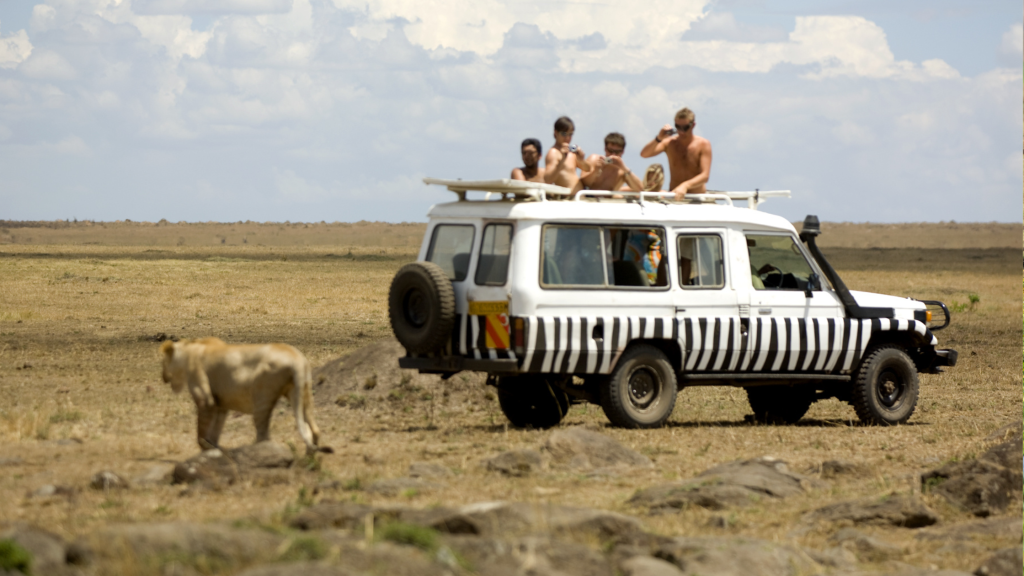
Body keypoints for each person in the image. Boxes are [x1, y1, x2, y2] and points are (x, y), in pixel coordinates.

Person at [640, 107, 712, 200]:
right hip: (674, 196)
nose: (681, 131)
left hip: (697, 198)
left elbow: (705, 176)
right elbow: (644, 154)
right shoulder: (669, 143)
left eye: (685, 127)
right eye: (678, 127)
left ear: (693, 125)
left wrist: (685, 186)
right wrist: (659, 138)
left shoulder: (703, 144)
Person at [543, 116, 592, 196]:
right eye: (564, 134)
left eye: (570, 134)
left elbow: (588, 169)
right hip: (567, 201)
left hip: (580, 198)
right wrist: (562, 160)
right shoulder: (553, 152)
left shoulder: (571, 152)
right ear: (556, 133)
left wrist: (581, 160)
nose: (567, 138)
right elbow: (548, 179)